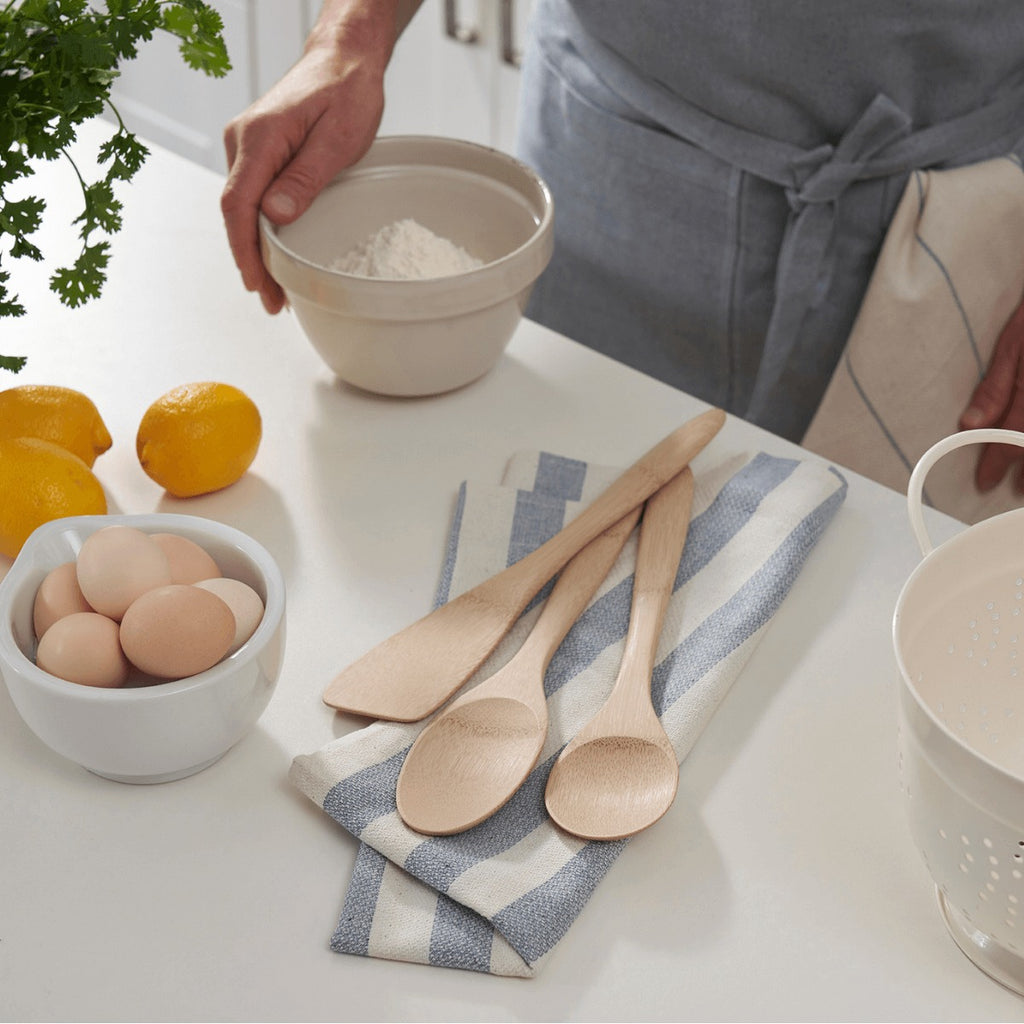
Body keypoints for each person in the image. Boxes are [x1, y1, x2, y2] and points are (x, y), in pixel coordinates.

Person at [221, 0, 1024, 492]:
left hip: (941, 235)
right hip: (606, 167)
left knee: (870, 622)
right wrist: (352, 30)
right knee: (545, 534)